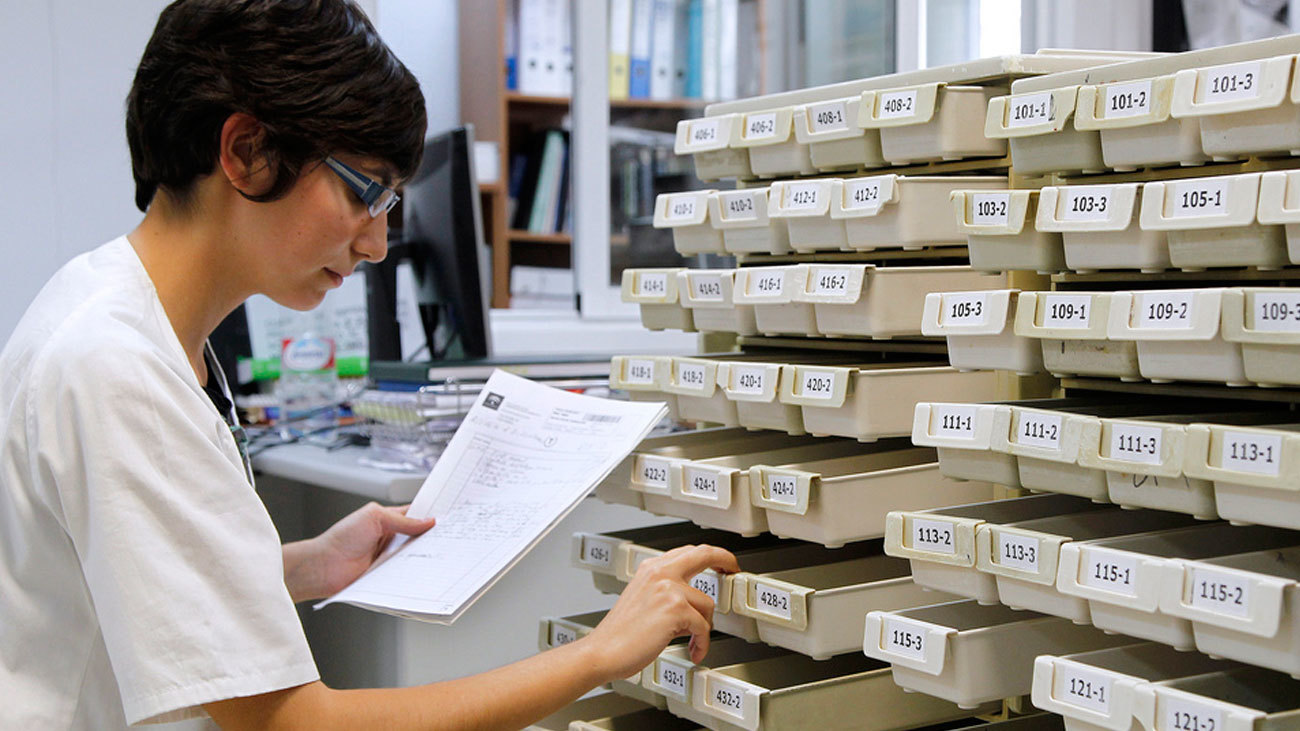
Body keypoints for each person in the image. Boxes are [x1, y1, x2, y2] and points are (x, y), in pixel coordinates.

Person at [0, 1, 737, 728]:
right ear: (246, 151)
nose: (378, 244)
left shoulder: (107, 304)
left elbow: (122, 569)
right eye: (367, 192)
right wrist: (599, 653)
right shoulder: (118, 367)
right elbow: (295, 724)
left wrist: (302, 565)